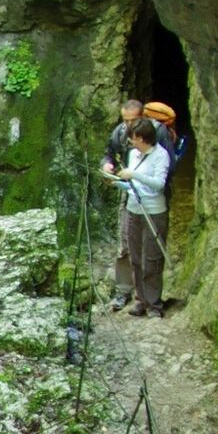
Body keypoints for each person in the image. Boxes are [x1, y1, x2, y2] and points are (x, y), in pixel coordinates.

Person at [104, 118, 170, 317]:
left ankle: (154, 304)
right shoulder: (133, 154)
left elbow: (159, 184)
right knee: (135, 257)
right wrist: (117, 182)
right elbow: (134, 186)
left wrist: (134, 175)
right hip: (133, 210)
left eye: (133, 138)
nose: (130, 142)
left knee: (152, 258)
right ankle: (141, 300)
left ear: (142, 138)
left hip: (153, 212)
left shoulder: (161, 155)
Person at [102, 99, 143, 308]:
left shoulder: (155, 134)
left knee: (148, 245)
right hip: (127, 193)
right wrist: (107, 165)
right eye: (125, 120)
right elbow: (108, 154)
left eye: (132, 120)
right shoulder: (119, 133)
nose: (128, 125)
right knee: (124, 243)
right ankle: (123, 290)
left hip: (149, 195)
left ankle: (146, 297)